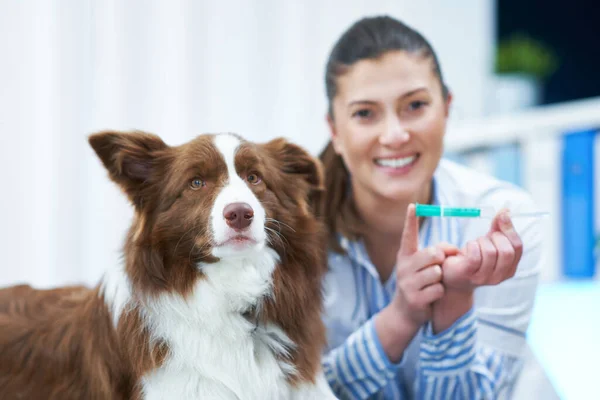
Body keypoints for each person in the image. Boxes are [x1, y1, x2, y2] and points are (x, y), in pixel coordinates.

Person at [318, 15, 543, 399]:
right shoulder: (287, 235)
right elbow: (297, 391)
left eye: (415, 105)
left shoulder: (506, 218)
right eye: (364, 113)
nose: (394, 135)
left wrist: (455, 303)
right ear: (335, 131)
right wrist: (400, 318)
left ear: (447, 108)